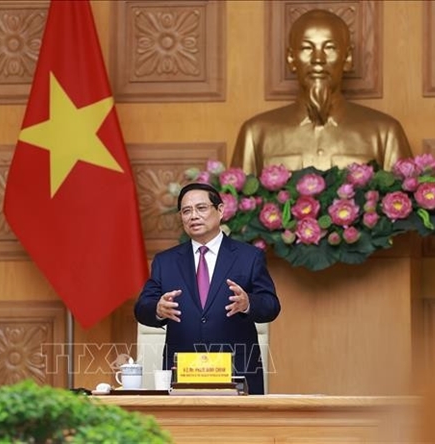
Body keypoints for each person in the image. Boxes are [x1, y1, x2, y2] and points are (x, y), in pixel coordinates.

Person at [134, 182, 280, 395]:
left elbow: (271, 305)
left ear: (220, 210)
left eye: (201, 208)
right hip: (182, 373)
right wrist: (157, 308)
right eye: (186, 211)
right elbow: (141, 309)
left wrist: (248, 303)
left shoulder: (249, 257)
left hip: (238, 372)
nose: (193, 216)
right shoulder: (165, 262)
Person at [232, 9, 412, 174]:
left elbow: (403, 195)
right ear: (291, 58)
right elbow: (236, 196)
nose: (318, 59)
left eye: (330, 48)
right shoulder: (256, 134)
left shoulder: (385, 133)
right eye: (307, 48)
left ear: (347, 58)